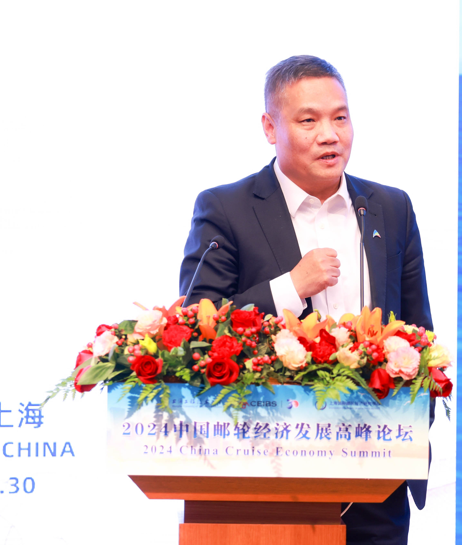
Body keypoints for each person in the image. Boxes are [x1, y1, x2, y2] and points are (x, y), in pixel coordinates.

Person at [179, 55, 433, 545]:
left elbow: (418, 330)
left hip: (376, 475)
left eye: (341, 117)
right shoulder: (226, 208)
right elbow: (196, 329)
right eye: (309, 120)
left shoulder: (391, 207)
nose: (330, 135)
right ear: (270, 127)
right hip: (265, 475)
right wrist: (291, 287)